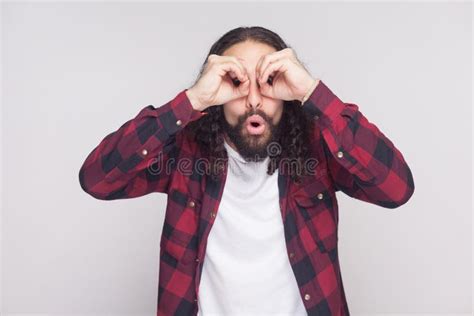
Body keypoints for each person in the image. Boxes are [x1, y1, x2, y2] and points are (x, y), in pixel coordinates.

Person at [79, 26, 415, 316]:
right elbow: (97, 178)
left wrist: (312, 93)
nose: (254, 99)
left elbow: (396, 187)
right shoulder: (185, 151)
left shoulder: (317, 149)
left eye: (268, 81)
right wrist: (192, 100)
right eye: (237, 82)